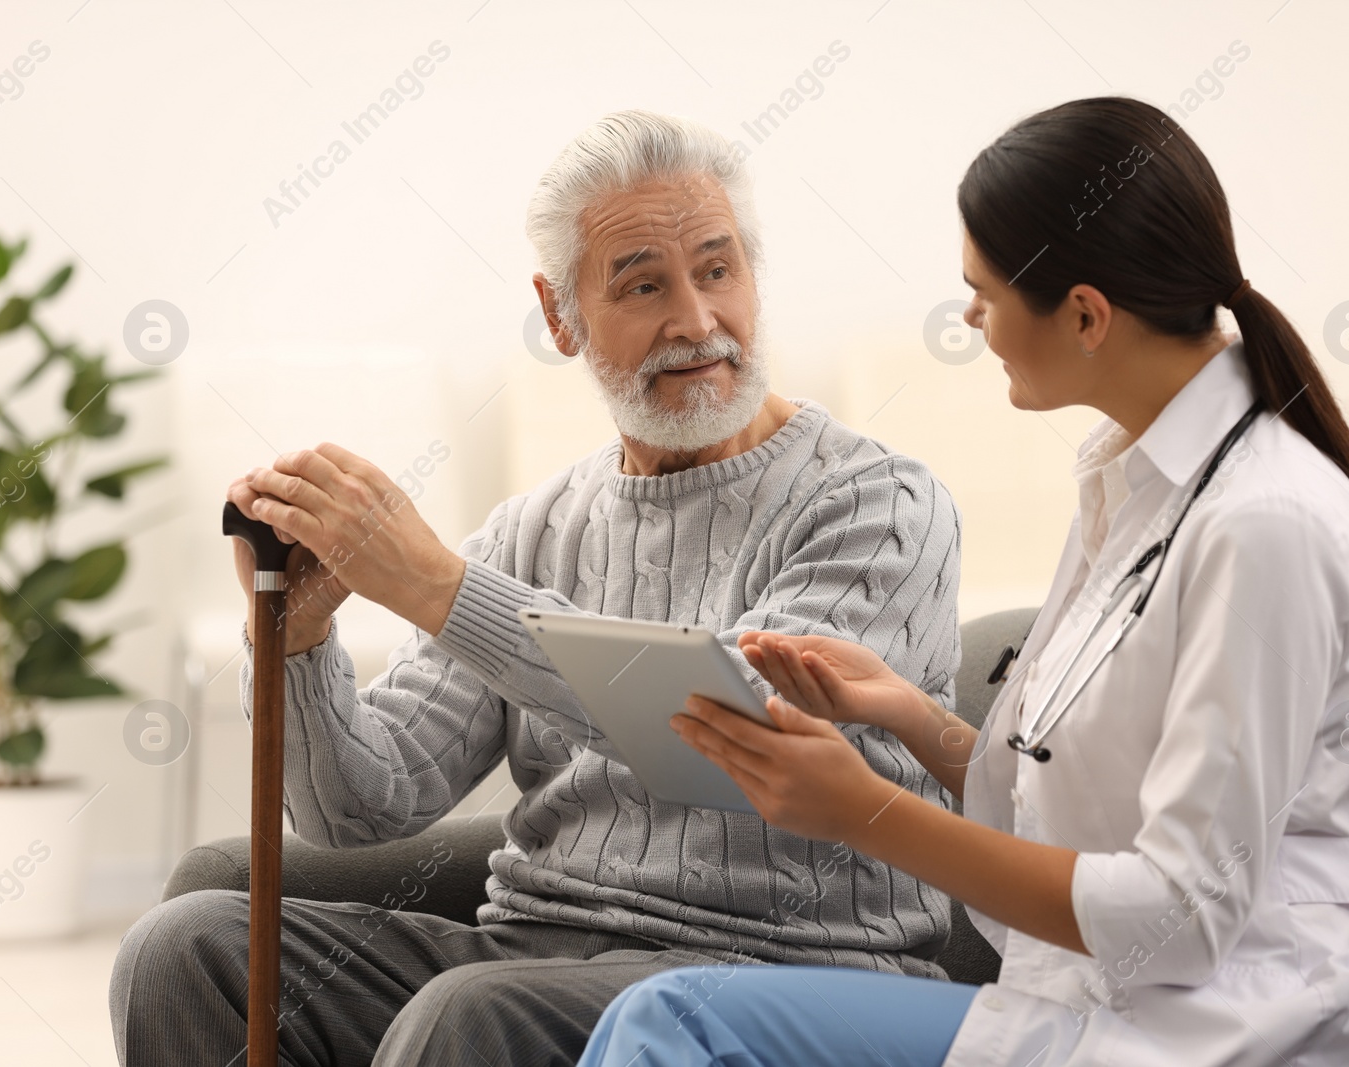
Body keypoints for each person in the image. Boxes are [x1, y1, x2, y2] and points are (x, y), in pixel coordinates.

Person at [573, 95, 1349, 1067]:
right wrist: (902, 711)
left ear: (1082, 314)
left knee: (676, 1020)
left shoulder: (1264, 525)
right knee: (655, 1015)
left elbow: (1184, 914)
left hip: (1227, 1038)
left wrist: (863, 809)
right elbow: (1069, 801)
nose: (971, 317)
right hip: (1082, 1011)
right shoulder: (1128, 480)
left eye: (982, 290)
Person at [108, 110, 963, 1067]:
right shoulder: (535, 529)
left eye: (717, 270)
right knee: (182, 953)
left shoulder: (879, 502)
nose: (695, 320)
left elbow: (745, 743)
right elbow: (359, 807)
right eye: (644, 284)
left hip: (779, 972)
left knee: (473, 1013)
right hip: (531, 950)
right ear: (561, 315)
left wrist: (438, 586)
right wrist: (299, 645)